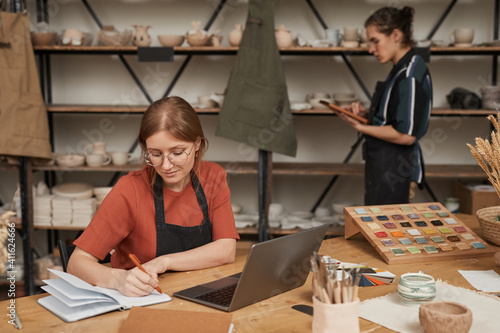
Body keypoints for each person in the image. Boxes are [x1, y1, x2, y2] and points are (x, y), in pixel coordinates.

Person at [68, 96, 240, 297]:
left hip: (198, 294)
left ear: (197, 144)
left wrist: (164, 262)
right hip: (141, 300)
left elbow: (226, 250)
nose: (166, 166)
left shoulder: (213, 177)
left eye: (177, 152)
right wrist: (118, 279)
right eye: (155, 154)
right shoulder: (130, 190)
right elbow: (76, 263)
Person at [336, 6, 432, 205]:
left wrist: (362, 127)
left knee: (388, 234)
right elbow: (395, 115)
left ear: (395, 35)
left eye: (375, 41)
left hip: (396, 171)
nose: (371, 49)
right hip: (385, 166)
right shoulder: (401, 68)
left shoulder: (410, 74)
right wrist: (366, 114)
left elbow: (406, 135)